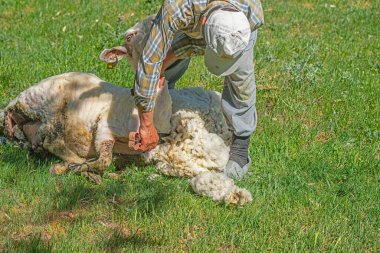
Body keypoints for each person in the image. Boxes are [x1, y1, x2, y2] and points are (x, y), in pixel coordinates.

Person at [134, 0, 264, 179]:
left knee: (241, 80)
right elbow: (150, 60)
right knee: (163, 52)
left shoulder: (253, 12)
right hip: (192, 16)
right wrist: (146, 124)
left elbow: (198, 44)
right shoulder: (177, 8)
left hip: (234, 28)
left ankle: (241, 147)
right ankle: (161, 104)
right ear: (203, 22)